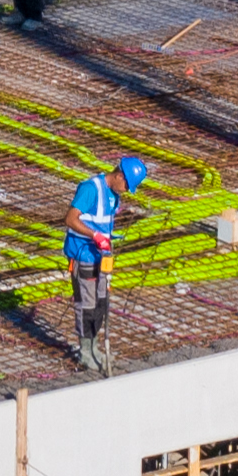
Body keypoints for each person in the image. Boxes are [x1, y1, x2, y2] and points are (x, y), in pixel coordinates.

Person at [63, 153, 143, 365]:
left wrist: (107, 239)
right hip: (84, 255)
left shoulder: (113, 195)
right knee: (86, 304)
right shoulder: (90, 189)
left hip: (102, 258)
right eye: (128, 186)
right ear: (120, 176)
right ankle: (85, 351)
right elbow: (70, 219)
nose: (127, 191)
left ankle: (96, 347)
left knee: (100, 304)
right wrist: (94, 236)